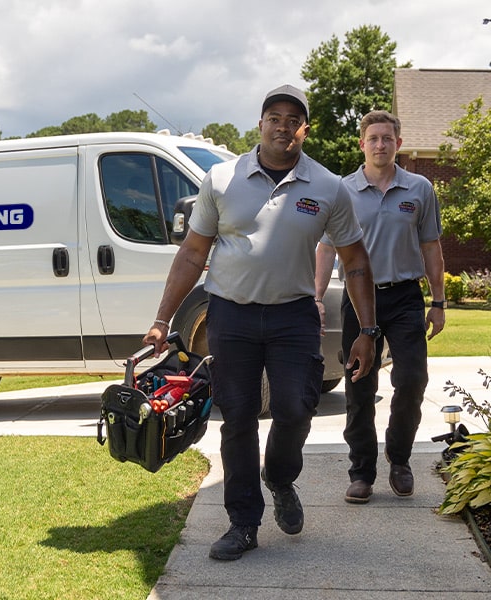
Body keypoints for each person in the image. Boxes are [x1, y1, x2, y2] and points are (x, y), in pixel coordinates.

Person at [143, 84, 378, 561]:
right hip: (230, 314)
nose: (283, 126)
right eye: (275, 117)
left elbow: (355, 262)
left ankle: (281, 476)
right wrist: (161, 318)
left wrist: (368, 331)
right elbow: (193, 252)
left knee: (295, 408)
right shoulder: (221, 179)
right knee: (239, 420)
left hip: (293, 314)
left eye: (294, 119)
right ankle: (243, 522)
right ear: (260, 124)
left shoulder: (327, 187)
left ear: (305, 130)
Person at [314, 110, 446, 504]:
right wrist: (317, 299)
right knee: (359, 385)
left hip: (405, 296)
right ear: (362, 144)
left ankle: (400, 458)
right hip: (359, 299)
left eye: (387, 138)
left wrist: (438, 301)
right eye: (373, 138)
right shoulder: (342, 190)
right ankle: (361, 472)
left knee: (412, 380)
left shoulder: (419, 188)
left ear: (398, 144)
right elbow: (325, 247)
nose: (380, 145)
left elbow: (431, 247)